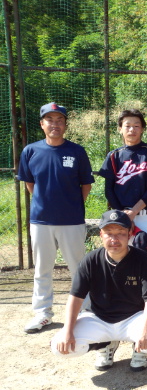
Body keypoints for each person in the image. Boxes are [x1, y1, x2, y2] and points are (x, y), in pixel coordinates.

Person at [50, 210, 147, 372]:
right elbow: (76, 298)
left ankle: (138, 348)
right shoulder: (90, 260)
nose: (114, 239)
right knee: (60, 347)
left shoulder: (142, 258)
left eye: (120, 233)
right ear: (101, 235)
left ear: (129, 234)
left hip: (133, 318)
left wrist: (146, 330)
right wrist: (67, 330)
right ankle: (105, 345)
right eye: (109, 233)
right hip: (99, 318)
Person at [18, 102, 94, 333]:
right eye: (50, 120)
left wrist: (69, 205)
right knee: (42, 269)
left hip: (72, 221)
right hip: (41, 221)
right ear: (42, 124)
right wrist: (47, 204)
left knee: (79, 269)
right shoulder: (30, 151)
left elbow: (86, 185)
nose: (55, 124)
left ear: (65, 125)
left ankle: (87, 311)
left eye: (59, 120)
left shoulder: (76, 151)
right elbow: (30, 184)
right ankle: (43, 314)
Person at [98, 109, 147, 324]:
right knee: (118, 261)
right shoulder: (114, 155)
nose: (132, 129)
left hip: (144, 216)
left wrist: (133, 212)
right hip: (118, 219)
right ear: (120, 129)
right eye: (127, 125)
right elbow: (109, 189)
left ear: (142, 128)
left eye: (136, 125)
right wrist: (122, 216)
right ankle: (125, 307)